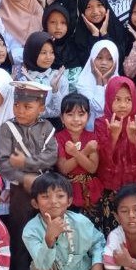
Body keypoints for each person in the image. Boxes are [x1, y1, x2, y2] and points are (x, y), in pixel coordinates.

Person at [0, 81, 57, 270]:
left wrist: (25, 163)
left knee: (47, 233)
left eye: (27, 106)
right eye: (17, 105)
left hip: (46, 189)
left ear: (41, 108)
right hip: (19, 192)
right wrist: (24, 179)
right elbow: (4, 163)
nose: (20, 111)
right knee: (20, 236)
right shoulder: (7, 129)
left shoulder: (47, 128)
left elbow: (51, 157)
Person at [23, 171, 106, 270]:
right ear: (35, 203)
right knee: (38, 266)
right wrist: (49, 239)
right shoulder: (31, 230)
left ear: (69, 201)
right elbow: (42, 264)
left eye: (60, 196)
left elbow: (98, 242)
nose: (53, 201)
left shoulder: (80, 222)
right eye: (45, 196)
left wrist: (97, 263)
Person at [94, 76, 136, 237]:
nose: (123, 105)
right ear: (109, 99)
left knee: (132, 229)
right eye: (117, 99)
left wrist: (132, 138)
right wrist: (113, 136)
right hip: (109, 187)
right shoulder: (101, 123)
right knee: (111, 230)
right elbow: (103, 160)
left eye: (128, 100)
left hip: (133, 185)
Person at [55, 93, 102, 222]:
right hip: (68, 189)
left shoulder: (92, 137)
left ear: (88, 116)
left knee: (91, 224)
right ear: (62, 118)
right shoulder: (58, 138)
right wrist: (84, 152)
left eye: (81, 114)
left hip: (90, 188)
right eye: (70, 114)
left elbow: (92, 168)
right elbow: (64, 169)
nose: (76, 119)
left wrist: (75, 153)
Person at [66, 0, 128, 72]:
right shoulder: (78, 37)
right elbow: (87, 65)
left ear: (106, 5)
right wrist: (94, 36)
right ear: (82, 10)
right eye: (89, 7)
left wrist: (105, 34)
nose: (95, 11)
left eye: (99, 5)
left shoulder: (117, 30)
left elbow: (119, 60)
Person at [14, 31, 68, 126]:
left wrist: (55, 89)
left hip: (55, 128)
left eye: (52, 52)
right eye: (43, 53)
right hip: (28, 128)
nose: (49, 57)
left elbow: (61, 110)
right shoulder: (23, 80)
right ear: (32, 53)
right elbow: (23, 111)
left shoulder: (59, 78)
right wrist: (33, 85)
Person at [76, 40, 120, 130]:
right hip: (88, 131)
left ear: (116, 61)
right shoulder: (83, 82)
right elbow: (99, 108)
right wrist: (99, 82)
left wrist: (106, 82)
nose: (104, 62)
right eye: (99, 58)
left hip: (112, 131)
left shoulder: (120, 83)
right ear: (92, 59)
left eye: (110, 59)